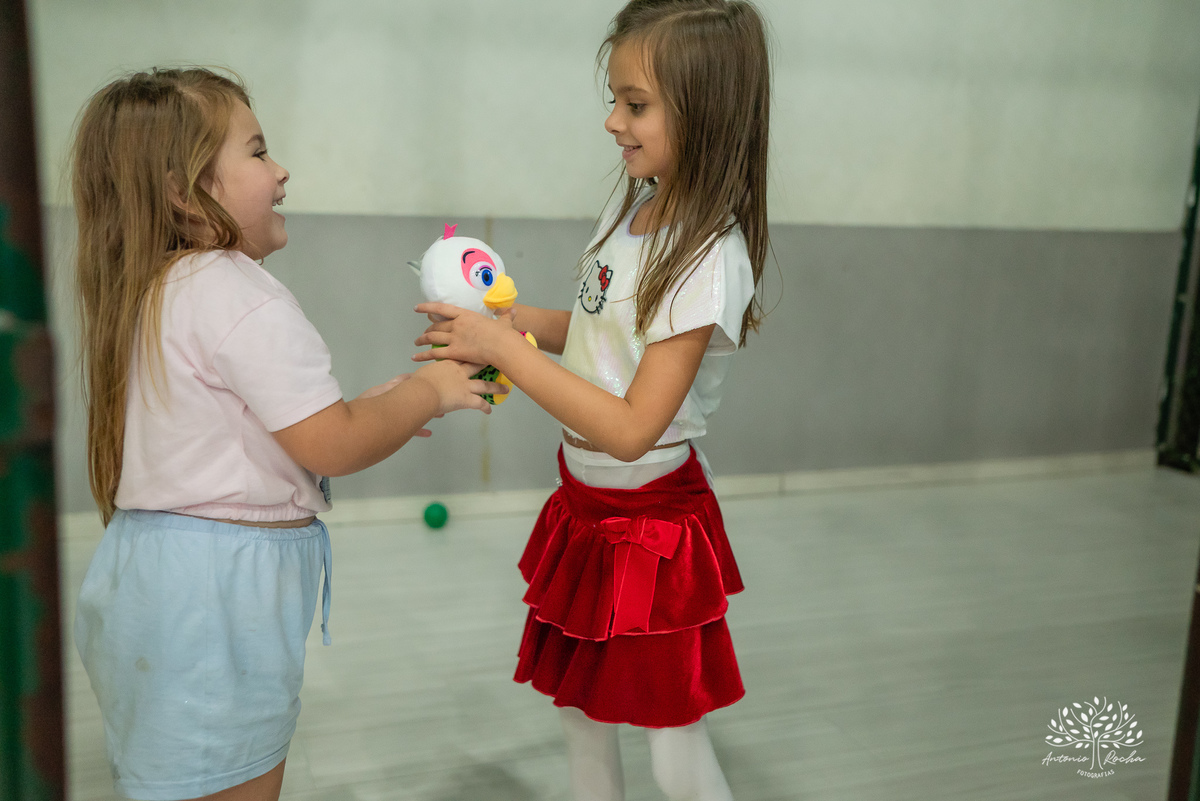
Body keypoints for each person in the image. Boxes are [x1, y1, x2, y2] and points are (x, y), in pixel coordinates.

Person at [71, 68, 502, 801]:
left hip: (158, 582)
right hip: (215, 603)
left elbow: (247, 429)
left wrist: (378, 405)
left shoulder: (160, 289)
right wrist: (430, 390)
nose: (282, 170)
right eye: (259, 151)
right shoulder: (236, 290)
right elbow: (332, 442)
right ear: (184, 190)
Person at [414, 2, 771, 798]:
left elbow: (633, 426)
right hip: (583, 506)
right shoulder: (631, 205)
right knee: (580, 712)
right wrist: (503, 325)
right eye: (613, 98)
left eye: (634, 104)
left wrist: (506, 351)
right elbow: (593, 335)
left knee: (670, 729)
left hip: (651, 530)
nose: (612, 122)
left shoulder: (708, 257)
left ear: (705, 110)